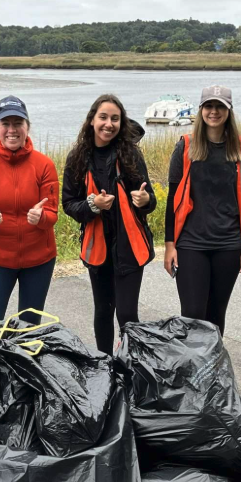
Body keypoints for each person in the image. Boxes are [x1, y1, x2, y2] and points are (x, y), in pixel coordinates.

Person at [62, 94, 157, 355]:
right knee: (103, 310)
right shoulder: (77, 158)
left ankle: (132, 368)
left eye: (115, 119)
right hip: (98, 248)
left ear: (121, 123)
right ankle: (104, 364)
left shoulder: (131, 155)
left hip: (130, 246)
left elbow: (151, 201)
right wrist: (93, 205)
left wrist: (145, 200)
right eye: (103, 117)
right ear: (92, 120)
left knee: (128, 314)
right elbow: (69, 204)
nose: (109, 124)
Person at [164, 85, 241, 335]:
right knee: (193, 315)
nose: (213, 112)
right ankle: (192, 371)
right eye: (209, 106)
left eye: (220, 106)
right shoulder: (185, 147)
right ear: (201, 110)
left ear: (229, 111)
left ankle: (212, 372)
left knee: (216, 315)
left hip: (228, 245)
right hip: (191, 244)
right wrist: (169, 245)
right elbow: (173, 199)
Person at [0, 96, 59, 324]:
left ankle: (25, 360)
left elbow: (52, 215)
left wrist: (41, 218)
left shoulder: (44, 165)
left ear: (27, 126)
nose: (12, 130)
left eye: (18, 123)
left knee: (29, 328)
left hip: (39, 259)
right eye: (5, 124)